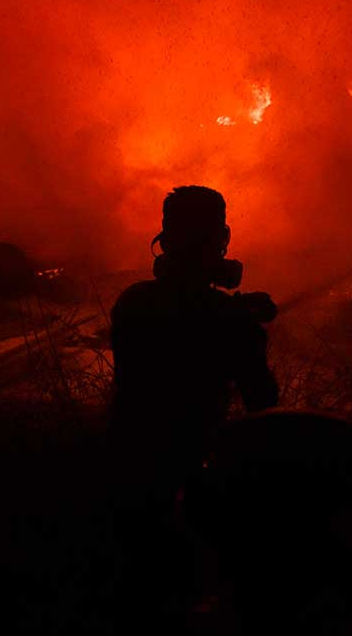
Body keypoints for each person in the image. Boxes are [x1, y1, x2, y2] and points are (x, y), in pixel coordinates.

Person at [110, 186, 278, 486]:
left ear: (165, 241)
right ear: (218, 242)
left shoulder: (131, 301)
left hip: (125, 472)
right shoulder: (232, 323)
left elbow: (181, 315)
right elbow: (263, 408)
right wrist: (244, 325)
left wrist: (231, 309)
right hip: (196, 477)